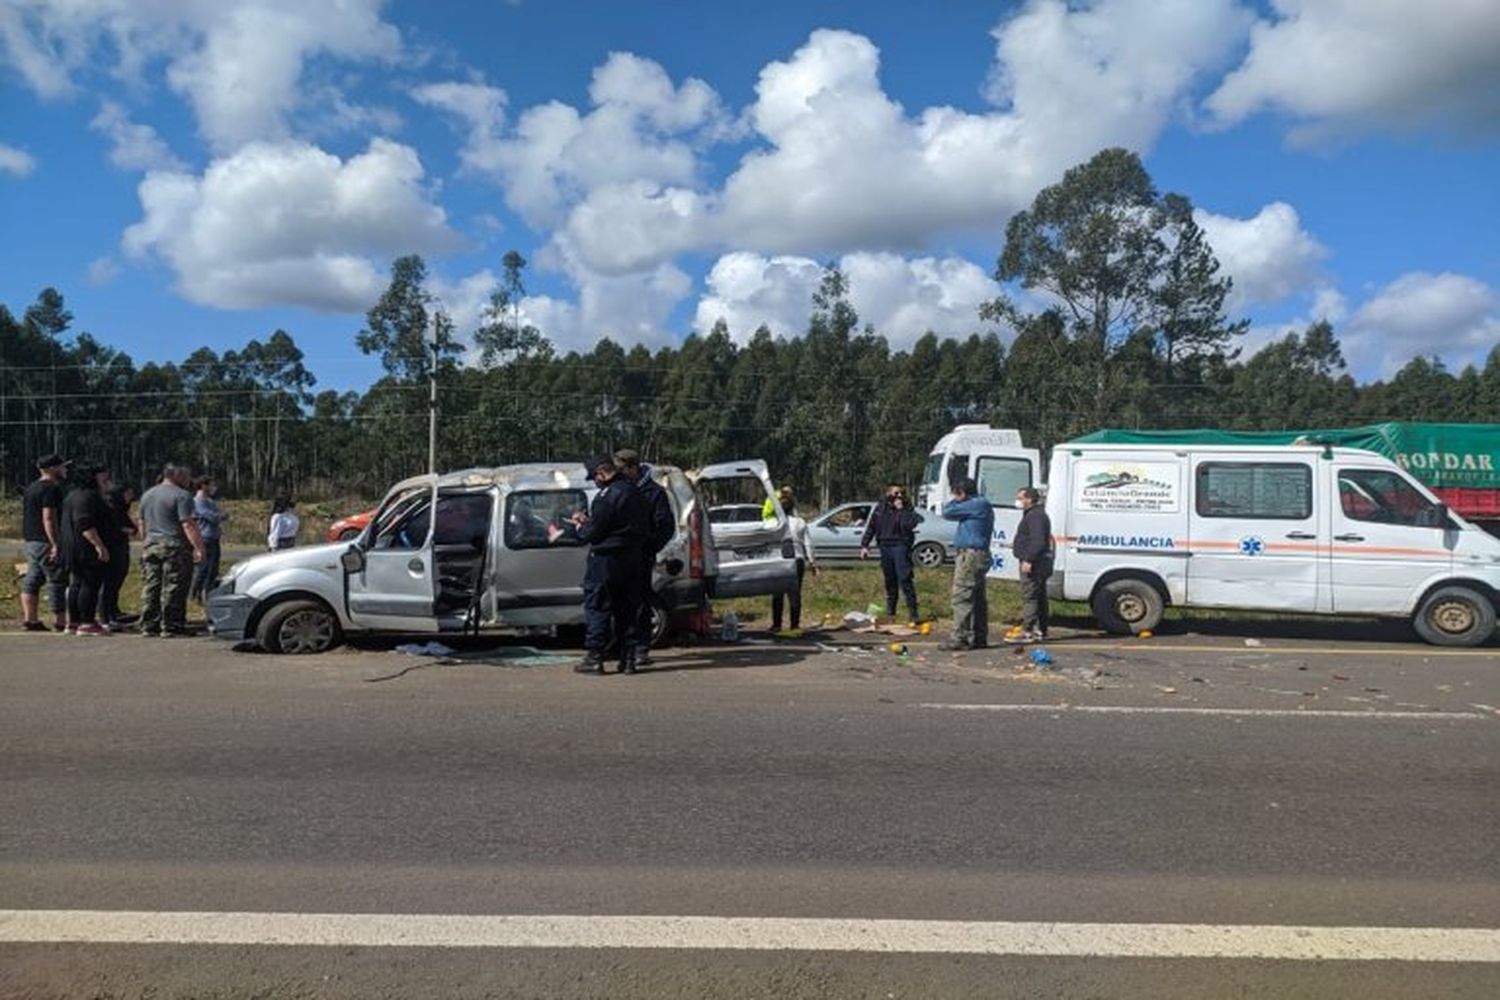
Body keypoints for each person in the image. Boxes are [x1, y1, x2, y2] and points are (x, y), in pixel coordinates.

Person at [569, 454, 649, 675]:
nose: (595, 482)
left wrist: (580, 527)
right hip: (633, 558)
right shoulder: (636, 492)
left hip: (605, 560)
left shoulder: (607, 496)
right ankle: (629, 659)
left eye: (595, 477)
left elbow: (593, 533)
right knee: (628, 609)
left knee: (598, 606)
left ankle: (595, 657)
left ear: (602, 473)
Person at [614, 448, 674, 668]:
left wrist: (648, 548)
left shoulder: (654, 493)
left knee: (640, 602)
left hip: (641, 555)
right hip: (619, 555)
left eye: (621, 469)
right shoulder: (618, 490)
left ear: (633, 468)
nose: (618, 474)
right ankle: (623, 647)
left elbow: (665, 526)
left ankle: (641, 647)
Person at [138, 464, 205, 637]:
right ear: (177, 475)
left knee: (151, 585)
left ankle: (149, 624)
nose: (189, 480)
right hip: (174, 546)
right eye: (187, 476)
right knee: (174, 586)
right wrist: (199, 547)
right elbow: (187, 524)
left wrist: (145, 541)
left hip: (151, 545)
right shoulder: (182, 496)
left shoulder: (148, 494)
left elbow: (141, 521)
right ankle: (171, 625)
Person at [940, 477, 995, 651]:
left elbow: (947, 511)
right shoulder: (979, 504)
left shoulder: (976, 504)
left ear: (963, 492)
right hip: (976, 555)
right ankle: (979, 636)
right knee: (977, 598)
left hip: (970, 555)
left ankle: (959, 637)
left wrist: (958, 499)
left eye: (957, 493)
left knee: (962, 596)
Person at [59, 463, 114, 635]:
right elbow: (85, 523)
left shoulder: (71, 495)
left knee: (77, 583)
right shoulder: (88, 497)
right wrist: (99, 545)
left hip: (71, 546)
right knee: (90, 584)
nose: (104, 479)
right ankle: (87, 622)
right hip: (86, 547)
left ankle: (74, 622)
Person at [19, 453, 70, 631]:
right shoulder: (51, 488)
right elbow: (48, 517)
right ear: (51, 469)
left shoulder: (31, 487)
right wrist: (55, 542)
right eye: (61, 466)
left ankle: (30, 619)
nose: (65, 469)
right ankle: (60, 620)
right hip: (45, 540)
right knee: (56, 579)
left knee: (33, 578)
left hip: (31, 539)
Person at [859, 484, 922, 623]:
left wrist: (901, 510)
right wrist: (865, 545)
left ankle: (913, 613)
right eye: (896, 493)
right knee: (890, 580)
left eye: (901, 493)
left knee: (904, 579)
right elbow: (871, 527)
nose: (899, 496)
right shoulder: (880, 508)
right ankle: (891, 612)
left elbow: (910, 525)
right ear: (888, 494)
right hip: (884, 546)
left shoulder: (907, 508)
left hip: (900, 546)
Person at [1008, 486, 1053, 643]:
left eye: (1020, 498)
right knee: (1039, 596)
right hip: (1039, 561)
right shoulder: (1035, 515)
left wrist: (1028, 559)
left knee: (1030, 596)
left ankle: (1028, 631)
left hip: (1035, 563)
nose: (1018, 501)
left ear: (1029, 499)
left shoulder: (1035, 516)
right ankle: (1041, 630)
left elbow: (1038, 541)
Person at [771, 497, 817, 633]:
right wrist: (812, 562)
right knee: (795, 593)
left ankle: (777, 624)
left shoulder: (773, 523)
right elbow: (808, 543)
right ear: (792, 508)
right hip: (797, 559)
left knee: (777, 593)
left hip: (779, 559)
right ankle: (794, 625)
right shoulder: (800, 522)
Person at [98, 481, 139, 628]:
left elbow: (130, 526)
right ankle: (105, 616)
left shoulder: (122, 508)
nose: (131, 497)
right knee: (109, 582)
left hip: (121, 546)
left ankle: (114, 611)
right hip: (112, 547)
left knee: (117, 580)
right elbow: (112, 527)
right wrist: (128, 530)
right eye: (128, 493)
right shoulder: (111, 507)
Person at [190, 476, 228, 602]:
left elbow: (222, 514)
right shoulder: (198, 502)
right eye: (211, 485)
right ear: (203, 486)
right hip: (204, 538)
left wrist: (221, 515)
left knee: (213, 570)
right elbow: (213, 517)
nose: (213, 488)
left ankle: (208, 594)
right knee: (203, 569)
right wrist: (220, 516)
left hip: (214, 538)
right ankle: (194, 595)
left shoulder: (210, 501)